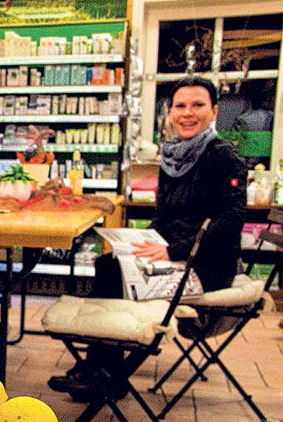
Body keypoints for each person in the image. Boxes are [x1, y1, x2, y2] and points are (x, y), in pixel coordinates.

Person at [49, 76, 247, 401]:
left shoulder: (223, 156)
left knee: (114, 273)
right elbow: (163, 216)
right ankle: (101, 369)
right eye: (180, 106)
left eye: (197, 105)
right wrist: (140, 241)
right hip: (173, 256)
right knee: (109, 262)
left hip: (207, 268)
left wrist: (173, 250)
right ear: (170, 112)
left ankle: (103, 374)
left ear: (214, 111)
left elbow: (231, 220)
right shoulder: (173, 156)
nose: (187, 113)